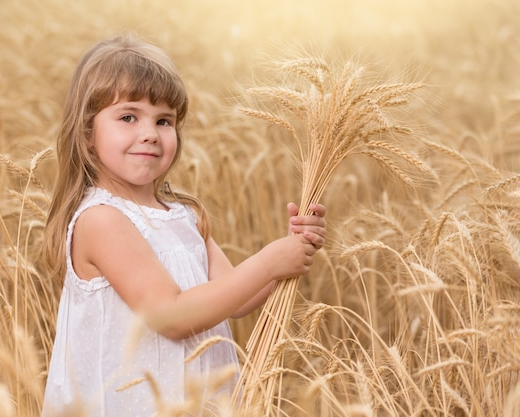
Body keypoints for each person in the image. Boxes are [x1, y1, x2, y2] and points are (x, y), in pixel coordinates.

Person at [41, 33, 327, 417]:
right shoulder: (102, 220)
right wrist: (270, 261)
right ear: (88, 133)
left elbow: (237, 298)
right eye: (128, 117)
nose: (150, 133)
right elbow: (170, 317)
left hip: (195, 401)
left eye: (164, 121)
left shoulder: (184, 216)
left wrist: (293, 249)